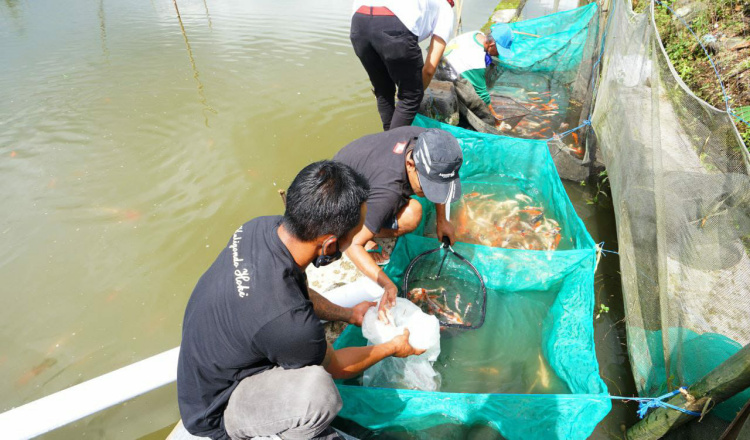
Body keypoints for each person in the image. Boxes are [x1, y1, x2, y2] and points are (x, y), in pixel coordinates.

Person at [177, 161, 425, 440]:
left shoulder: (261, 228)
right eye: (354, 236)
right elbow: (339, 366)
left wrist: (349, 314)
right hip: (217, 410)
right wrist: (393, 346)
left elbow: (299, 288)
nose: (357, 239)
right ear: (330, 245)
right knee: (318, 391)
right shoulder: (291, 325)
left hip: (206, 370)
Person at [333, 127, 462, 322]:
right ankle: (365, 230)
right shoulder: (389, 191)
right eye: (429, 186)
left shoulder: (429, 143)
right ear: (411, 164)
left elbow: (437, 176)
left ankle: (370, 223)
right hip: (339, 200)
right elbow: (352, 246)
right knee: (412, 215)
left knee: (412, 206)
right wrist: (387, 285)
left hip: (363, 171)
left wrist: (442, 220)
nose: (432, 192)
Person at [349, 0, 455, 131]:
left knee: (383, 90)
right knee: (410, 95)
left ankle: (388, 137)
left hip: (359, 24)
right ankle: (392, 146)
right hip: (393, 25)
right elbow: (429, 69)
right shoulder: (445, 8)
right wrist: (414, 95)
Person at [437, 23, 514, 128]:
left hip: (441, 64)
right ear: (491, 45)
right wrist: (494, 117)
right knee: (480, 109)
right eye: (498, 50)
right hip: (445, 78)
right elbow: (482, 95)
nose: (498, 54)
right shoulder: (477, 60)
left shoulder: (477, 34)